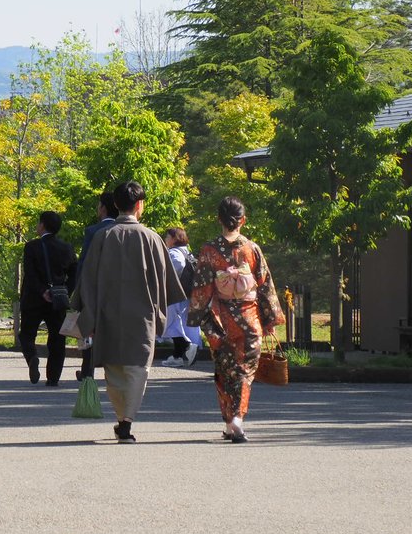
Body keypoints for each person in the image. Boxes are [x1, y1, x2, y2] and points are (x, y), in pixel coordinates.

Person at [76, 180, 184, 443]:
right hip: (143, 315)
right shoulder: (153, 238)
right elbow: (165, 281)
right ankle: (127, 420)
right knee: (139, 369)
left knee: (113, 369)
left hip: (108, 312)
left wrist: (88, 313)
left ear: (115, 204)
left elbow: (87, 280)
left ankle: (121, 417)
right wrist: (159, 313)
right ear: (139, 205)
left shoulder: (103, 236)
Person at [186, 196, 284, 443]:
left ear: (219, 219)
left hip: (221, 322)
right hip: (250, 321)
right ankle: (236, 421)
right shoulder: (252, 249)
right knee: (244, 372)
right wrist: (270, 318)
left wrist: (197, 317)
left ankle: (231, 421)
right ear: (243, 221)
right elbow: (265, 286)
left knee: (224, 370)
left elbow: (202, 289)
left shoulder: (209, 251)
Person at [18, 211, 78, 386]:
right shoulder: (67, 248)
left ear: (42, 225)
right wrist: (66, 290)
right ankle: (53, 378)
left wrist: (42, 291)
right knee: (57, 338)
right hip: (58, 300)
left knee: (27, 335)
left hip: (33, 299)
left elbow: (30, 274)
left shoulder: (32, 247)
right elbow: (75, 272)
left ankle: (32, 357)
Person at [72, 190, 118, 380]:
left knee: (89, 329)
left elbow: (84, 262)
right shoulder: (123, 230)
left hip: (94, 288)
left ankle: (87, 370)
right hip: (116, 290)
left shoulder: (93, 231)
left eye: (99, 206)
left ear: (104, 208)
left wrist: (78, 289)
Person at [160, 227, 201, 367]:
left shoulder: (174, 252)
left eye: (167, 237)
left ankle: (186, 348)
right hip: (187, 293)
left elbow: (178, 265)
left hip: (175, 293)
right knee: (177, 324)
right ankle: (178, 354)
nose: (165, 240)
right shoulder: (187, 252)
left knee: (169, 323)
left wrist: (169, 280)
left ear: (174, 239)